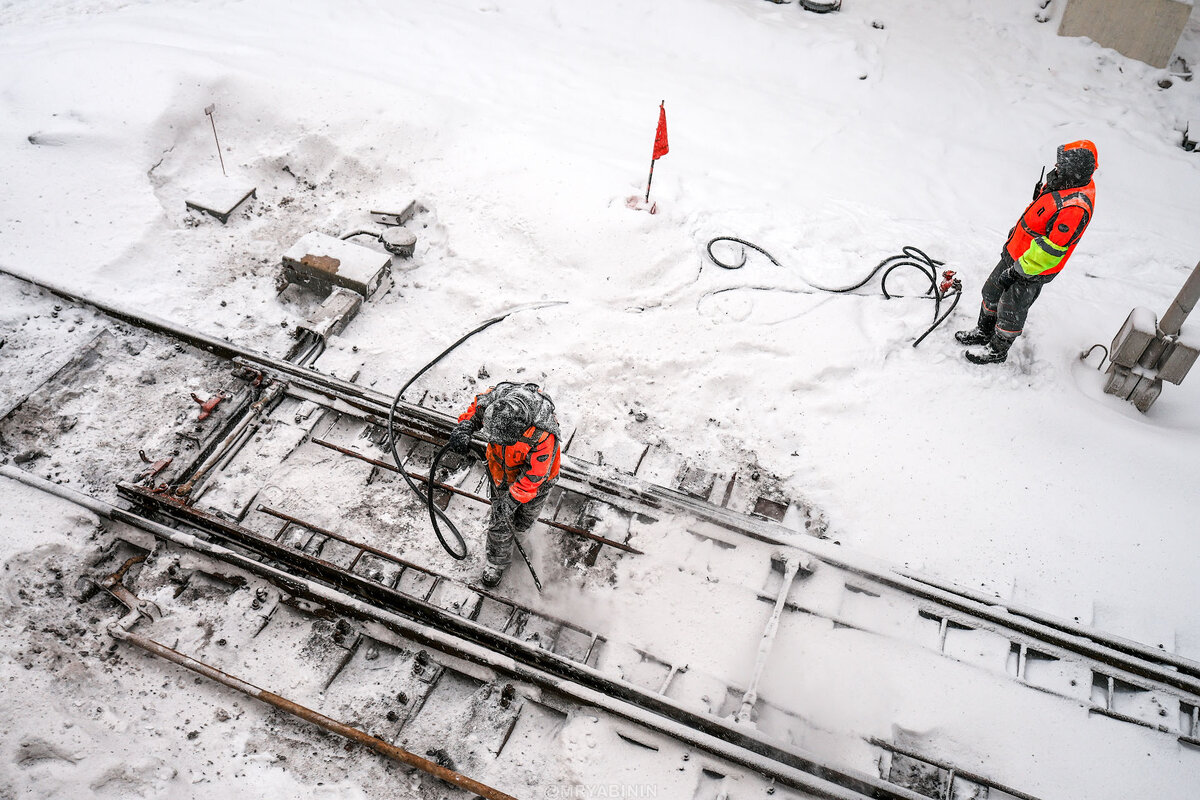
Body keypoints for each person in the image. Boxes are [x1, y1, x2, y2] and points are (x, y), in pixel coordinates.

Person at [956, 140, 1098, 364]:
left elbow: (1050, 251)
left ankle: (997, 350)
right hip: (1015, 252)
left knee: (1011, 309)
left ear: (1075, 169)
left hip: (1031, 268)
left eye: (1063, 163)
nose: (1056, 165)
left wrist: (1017, 272)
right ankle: (983, 332)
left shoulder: (1075, 207)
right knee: (991, 292)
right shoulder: (1064, 182)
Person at [446, 382, 561, 588]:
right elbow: (477, 408)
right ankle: (496, 562)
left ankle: (520, 537)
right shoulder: (499, 398)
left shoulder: (543, 434)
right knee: (500, 522)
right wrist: (467, 425)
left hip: (538, 482)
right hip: (501, 473)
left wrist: (512, 500)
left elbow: (534, 477)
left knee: (524, 518)